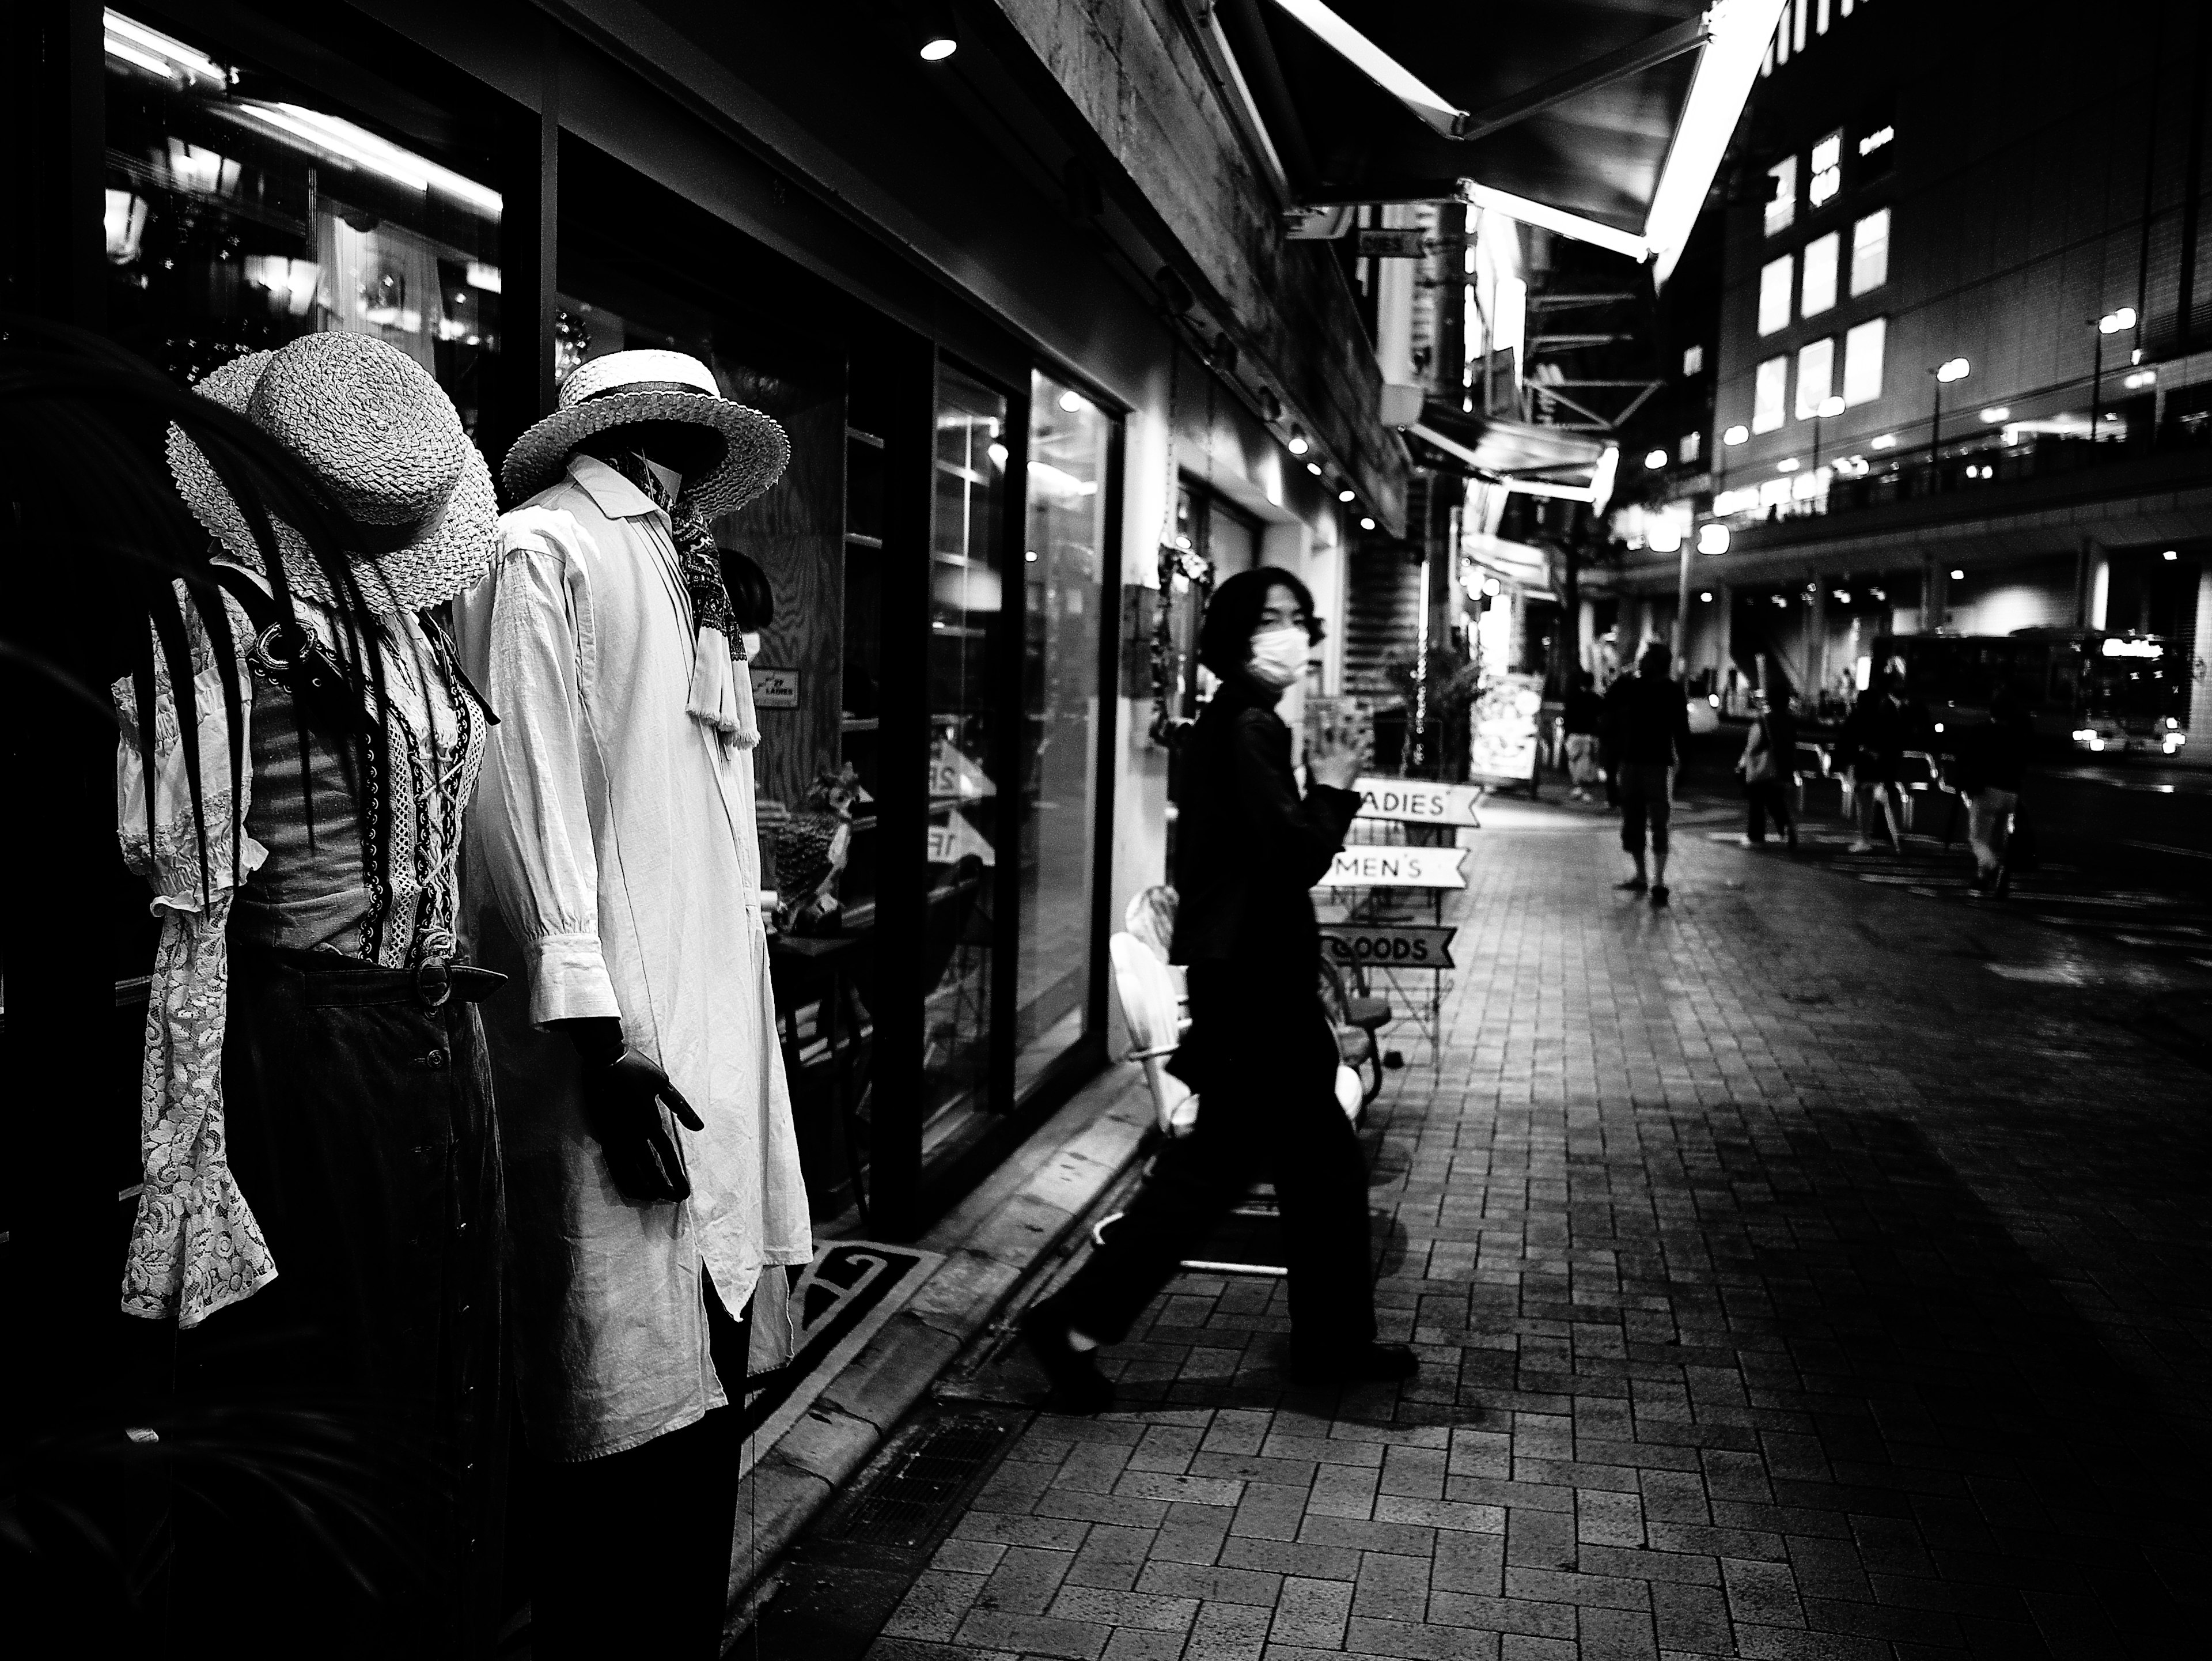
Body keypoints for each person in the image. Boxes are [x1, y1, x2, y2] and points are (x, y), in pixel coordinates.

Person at [120, 333, 506, 1658]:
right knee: (341, 1367)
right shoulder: (223, 619)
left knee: (440, 1362)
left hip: (434, 1037)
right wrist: (185, 1143)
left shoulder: (409, 618)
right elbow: (192, 896)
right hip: (310, 1046)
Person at [454, 349, 813, 1659]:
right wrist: (602, 1033)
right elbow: (523, 807)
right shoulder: (542, 550)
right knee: (611, 1421)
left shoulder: (682, 579)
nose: (689, 481)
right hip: (612, 1061)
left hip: (695, 1055)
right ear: (644, 442)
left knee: (687, 1421)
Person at [1021, 567, 1415, 1409]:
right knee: (1232, 1170)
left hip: (1248, 976)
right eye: (1267, 618)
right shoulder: (1246, 725)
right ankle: (1075, 1323)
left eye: (1296, 617)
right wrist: (1339, 781)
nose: (1289, 631)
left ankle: (1331, 1340)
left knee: (1308, 1167)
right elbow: (1292, 855)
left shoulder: (1236, 721)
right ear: (1234, 632)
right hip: (1256, 986)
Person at [1603, 641, 1693, 907]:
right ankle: (1648, 877)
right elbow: (1610, 699)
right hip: (1641, 762)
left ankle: (1656, 879)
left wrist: (1685, 763)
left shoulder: (1665, 689)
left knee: (1652, 820)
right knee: (1639, 820)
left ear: (1655, 662)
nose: (1642, 662)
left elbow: (1681, 730)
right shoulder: (1638, 685)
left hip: (1650, 763)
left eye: (1645, 658)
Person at [1952, 683, 2034, 895]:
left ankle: (1996, 869)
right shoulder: (2018, 736)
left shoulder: (1981, 731)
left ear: (1992, 710)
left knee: (1978, 839)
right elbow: (2023, 765)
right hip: (2011, 793)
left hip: (1987, 790)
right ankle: (1981, 879)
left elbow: (1965, 757)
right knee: (1996, 839)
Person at [1839, 665, 1928, 853]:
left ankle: (1865, 839)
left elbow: (1846, 741)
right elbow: (1893, 740)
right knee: (1880, 802)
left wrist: (1850, 759)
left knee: (1863, 804)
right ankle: (1890, 837)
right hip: (1880, 766)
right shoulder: (1883, 717)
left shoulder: (1857, 718)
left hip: (1863, 766)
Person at [1736, 688, 1798, 849]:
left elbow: (1753, 746)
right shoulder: (1791, 721)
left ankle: (1755, 836)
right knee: (1776, 800)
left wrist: (1744, 762)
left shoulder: (1764, 721)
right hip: (1783, 768)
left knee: (1757, 802)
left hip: (1764, 768)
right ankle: (1786, 827)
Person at [1562, 668, 1605, 801]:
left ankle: (1577, 787)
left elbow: (1567, 717)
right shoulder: (1597, 700)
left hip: (1574, 735)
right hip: (1589, 735)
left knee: (1574, 762)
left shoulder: (1573, 698)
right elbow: (1602, 717)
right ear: (1592, 684)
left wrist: (1566, 733)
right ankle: (1585, 790)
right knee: (1587, 764)